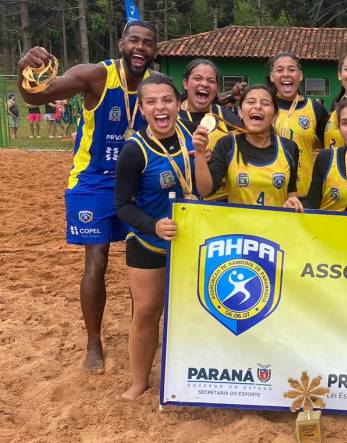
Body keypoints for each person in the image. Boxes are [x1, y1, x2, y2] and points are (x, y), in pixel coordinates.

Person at [17, 20, 158, 373]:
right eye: (134, 41)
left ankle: (140, 335)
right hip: (93, 181)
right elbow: (37, 96)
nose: (140, 48)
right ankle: (94, 342)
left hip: (139, 182)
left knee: (144, 261)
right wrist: (26, 67)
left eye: (149, 43)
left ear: (156, 51)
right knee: (96, 260)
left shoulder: (156, 86)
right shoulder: (95, 75)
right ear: (122, 43)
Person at [114, 75, 197, 400]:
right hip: (150, 242)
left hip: (193, 243)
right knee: (147, 310)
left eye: (167, 100)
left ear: (178, 104)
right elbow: (122, 206)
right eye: (152, 102)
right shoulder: (134, 151)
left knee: (195, 311)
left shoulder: (193, 135)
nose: (160, 107)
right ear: (142, 108)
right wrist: (153, 226)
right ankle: (139, 382)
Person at [193, 85, 300, 208]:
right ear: (240, 112)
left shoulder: (289, 148)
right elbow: (205, 191)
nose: (258, 106)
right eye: (250, 102)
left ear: (275, 115)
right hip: (237, 226)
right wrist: (200, 152)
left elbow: (291, 193)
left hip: (276, 225)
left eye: (265, 103)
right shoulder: (227, 144)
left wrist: (293, 203)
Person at [179, 58, 242, 201]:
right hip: (180, 201)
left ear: (216, 88)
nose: (204, 84)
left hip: (220, 203)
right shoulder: (170, 118)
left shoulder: (228, 119)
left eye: (211, 81)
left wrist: (216, 158)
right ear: (185, 83)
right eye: (197, 78)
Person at [268, 52, 329, 197]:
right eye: (279, 70)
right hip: (269, 189)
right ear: (272, 77)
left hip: (304, 192)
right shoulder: (264, 106)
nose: (286, 74)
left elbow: (328, 147)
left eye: (291, 69)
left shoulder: (315, 109)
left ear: (300, 76)